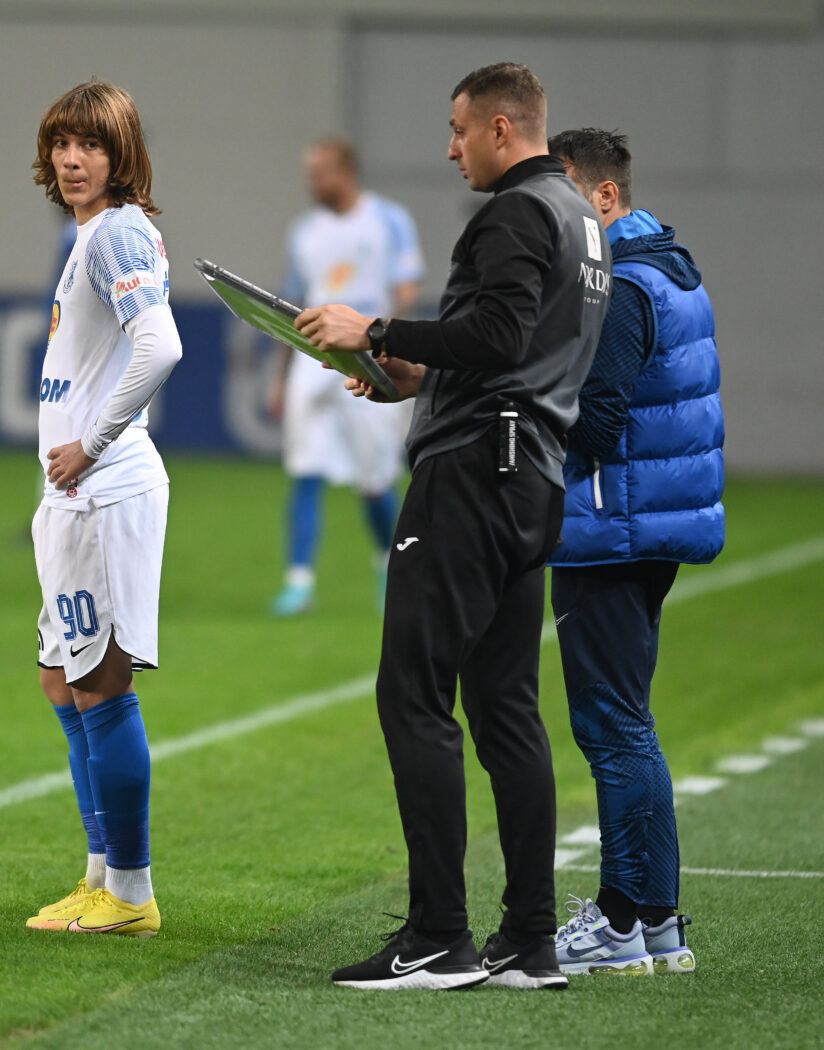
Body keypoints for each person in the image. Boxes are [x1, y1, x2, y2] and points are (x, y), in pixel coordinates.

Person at [299, 62, 611, 990]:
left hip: (473, 477)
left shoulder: (514, 212)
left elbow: (499, 338)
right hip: (533, 477)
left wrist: (378, 332)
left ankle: (438, 936)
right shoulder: (582, 219)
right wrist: (421, 375)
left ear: (502, 129)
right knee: (507, 709)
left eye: (459, 129)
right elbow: (522, 351)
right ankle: (529, 940)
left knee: (414, 694)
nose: (450, 148)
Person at [545, 128, 724, 977]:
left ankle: (620, 922)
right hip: (644, 526)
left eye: (564, 196)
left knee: (612, 727)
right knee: (629, 725)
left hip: (610, 531)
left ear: (605, 197)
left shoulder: (619, 284)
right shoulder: (670, 271)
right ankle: (654, 920)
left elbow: (598, 421)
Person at [24, 80, 182, 938]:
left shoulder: (116, 230)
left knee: (100, 684)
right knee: (64, 678)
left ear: (122, 155)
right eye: (62, 143)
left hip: (105, 489)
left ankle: (129, 890)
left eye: (90, 144)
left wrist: (93, 440)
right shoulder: (92, 234)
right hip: (70, 495)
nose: (72, 159)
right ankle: (99, 875)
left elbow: (162, 345)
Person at [268, 138, 424, 616]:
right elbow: (293, 304)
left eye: (320, 172)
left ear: (346, 172)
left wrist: (383, 339)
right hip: (314, 358)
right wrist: (281, 376)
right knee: (305, 468)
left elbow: (407, 288)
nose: (312, 182)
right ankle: (299, 582)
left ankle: (388, 563)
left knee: (374, 478)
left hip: (369, 356)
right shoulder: (304, 232)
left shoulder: (389, 220)